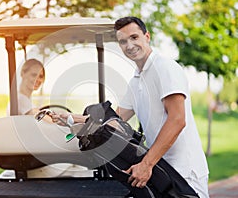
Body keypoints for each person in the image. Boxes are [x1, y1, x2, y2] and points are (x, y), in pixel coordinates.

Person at [52, 16, 209, 198]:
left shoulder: (165, 68)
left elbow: (177, 120)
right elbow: (115, 119)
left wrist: (146, 164)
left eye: (134, 37)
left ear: (147, 37)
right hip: (162, 170)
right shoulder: (136, 81)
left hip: (184, 171)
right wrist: (70, 118)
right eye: (123, 41)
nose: (129, 45)